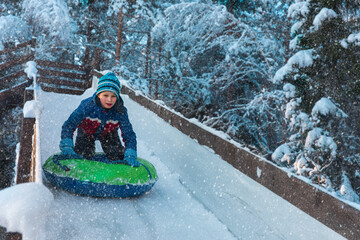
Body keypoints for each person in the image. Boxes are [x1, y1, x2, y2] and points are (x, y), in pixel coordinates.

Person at [59, 72, 139, 167]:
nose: (109, 100)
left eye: (113, 96)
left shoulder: (120, 111)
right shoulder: (87, 106)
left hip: (109, 135)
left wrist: (131, 153)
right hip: (86, 133)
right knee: (83, 156)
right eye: (105, 95)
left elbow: (129, 134)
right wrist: (67, 145)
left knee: (118, 156)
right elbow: (69, 125)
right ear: (99, 94)